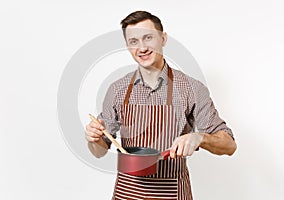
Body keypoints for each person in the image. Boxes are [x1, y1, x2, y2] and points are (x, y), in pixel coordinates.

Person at [85, 10, 237, 200]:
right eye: (134, 41)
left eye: (148, 38)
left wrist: (200, 137)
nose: (142, 48)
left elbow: (229, 145)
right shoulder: (117, 90)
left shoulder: (191, 88)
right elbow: (99, 151)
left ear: (163, 38)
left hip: (171, 194)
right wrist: (94, 139)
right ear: (127, 46)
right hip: (127, 194)